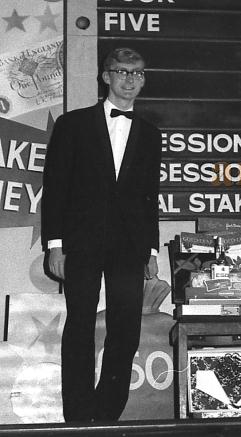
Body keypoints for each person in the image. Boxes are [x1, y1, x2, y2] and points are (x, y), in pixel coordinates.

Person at [41, 47, 161, 422]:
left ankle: (108, 415)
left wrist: (152, 250)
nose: (130, 79)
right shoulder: (72, 124)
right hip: (80, 242)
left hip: (130, 245)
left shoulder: (150, 133)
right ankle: (77, 416)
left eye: (138, 73)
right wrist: (55, 244)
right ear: (105, 77)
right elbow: (56, 186)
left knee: (126, 329)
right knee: (79, 325)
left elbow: (148, 197)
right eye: (122, 71)